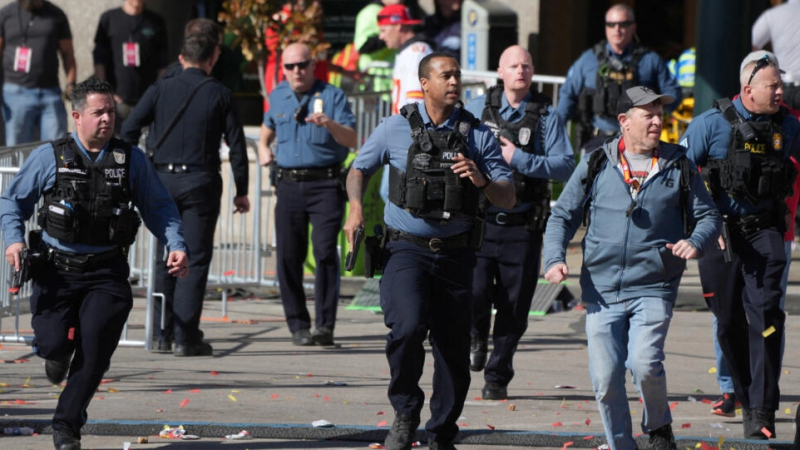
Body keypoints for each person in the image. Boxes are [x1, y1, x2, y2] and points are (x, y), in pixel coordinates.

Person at [0, 78, 188, 450]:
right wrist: (14, 240)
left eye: (110, 112)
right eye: (98, 112)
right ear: (76, 116)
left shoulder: (130, 159)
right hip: (57, 270)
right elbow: (13, 202)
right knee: (54, 344)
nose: (107, 119)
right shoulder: (49, 156)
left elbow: (160, 208)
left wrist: (176, 244)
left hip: (107, 271)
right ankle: (53, 355)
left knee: (95, 350)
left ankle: (66, 427)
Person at [344, 52, 515, 450]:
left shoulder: (478, 136)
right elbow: (358, 169)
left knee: (453, 352)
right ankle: (405, 412)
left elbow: (507, 197)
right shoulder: (393, 127)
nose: (455, 81)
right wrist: (355, 209)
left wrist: (482, 179)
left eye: (457, 75)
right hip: (406, 250)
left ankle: (441, 432)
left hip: (457, 256)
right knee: (406, 328)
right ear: (425, 83)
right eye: (446, 75)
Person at [543, 86, 721, 450]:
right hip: (602, 290)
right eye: (648, 114)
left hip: (654, 284)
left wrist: (696, 241)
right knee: (606, 379)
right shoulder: (596, 161)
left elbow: (708, 216)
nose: (658, 121)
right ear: (624, 121)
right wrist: (554, 258)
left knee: (643, 362)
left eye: (660, 114)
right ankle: (621, 444)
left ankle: (658, 427)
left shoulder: (679, 163)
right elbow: (562, 214)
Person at [681, 51, 800, 440]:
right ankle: (746, 397)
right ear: (748, 89)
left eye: (781, 84)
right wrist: (700, 223)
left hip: (765, 233)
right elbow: (679, 174)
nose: (780, 91)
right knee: (728, 320)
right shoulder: (710, 124)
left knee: (766, 317)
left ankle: (762, 408)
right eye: (773, 85)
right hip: (719, 235)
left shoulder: (790, 126)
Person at [120, 33, 250, 357]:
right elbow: (236, 146)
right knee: (193, 258)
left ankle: (161, 334)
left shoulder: (161, 87)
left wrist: (137, 167)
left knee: (164, 257)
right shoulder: (219, 93)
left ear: (181, 58)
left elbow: (129, 129)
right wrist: (242, 190)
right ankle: (185, 336)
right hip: (200, 181)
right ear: (212, 58)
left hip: (161, 179)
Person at [464, 45, 574, 400]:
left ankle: (497, 376)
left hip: (523, 225)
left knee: (514, 308)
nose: (520, 71)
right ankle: (476, 334)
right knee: (475, 293)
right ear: (500, 71)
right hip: (481, 222)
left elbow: (564, 166)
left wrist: (519, 158)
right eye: (513, 66)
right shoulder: (478, 108)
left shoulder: (546, 116)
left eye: (526, 65)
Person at [257, 42, 356, 347]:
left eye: (302, 65)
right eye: (290, 66)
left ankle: (324, 326)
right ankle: (298, 324)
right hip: (288, 185)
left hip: (325, 184)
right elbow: (267, 129)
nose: (296, 71)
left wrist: (328, 123)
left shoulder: (333, 96)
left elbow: (352, 139)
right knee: (288, 256)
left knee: (325, 252)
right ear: (282, 70)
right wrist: (262, 148)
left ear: (314, 65)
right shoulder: (278, 95)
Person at [555, 4, 681, 153]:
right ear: (605, 27)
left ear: (633, 27)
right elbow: (567, 95)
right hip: (598, 142)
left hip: (638, 142)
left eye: (623, 24)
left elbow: (673, 94)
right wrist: (556, 130)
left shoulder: (650, 60)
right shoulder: (588, 60)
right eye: (611, 24)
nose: (617, 29)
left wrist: (651, 110)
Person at [0, 0, 75, 146]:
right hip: (15, 93)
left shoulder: (56, 15)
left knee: (58, 146)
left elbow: (68, 53)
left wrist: (71, 83)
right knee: (17, 149)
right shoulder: (6, 14)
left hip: (50, 93)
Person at [92, 0, 168, 134]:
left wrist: (156, 94)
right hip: (117, 99)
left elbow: (162, 62)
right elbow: (99, 58)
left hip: (146, 101)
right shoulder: (109, 18)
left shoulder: (156, 21)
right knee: (116, 148)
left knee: (143, 149)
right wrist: (105, 91)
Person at [378, 3, 432, 115]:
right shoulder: (409, 52)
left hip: (410, 128)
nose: (381, 36)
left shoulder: (416, 53)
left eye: (383, 30)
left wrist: (405, 129)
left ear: (398, 25)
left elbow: (415, 102)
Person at [752, 0, 800, 110]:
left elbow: (752, 46)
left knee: (783, 125)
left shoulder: (772, 15)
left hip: (783, 89)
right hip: (783, 86)